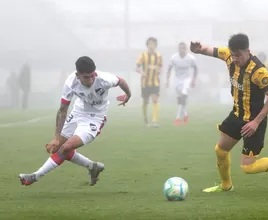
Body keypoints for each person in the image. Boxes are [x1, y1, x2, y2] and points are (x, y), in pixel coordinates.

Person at [190, 33, 268, 192]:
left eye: (238, 55)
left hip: (254, 121)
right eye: (233, 54)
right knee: (220, 150)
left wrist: (256, 122)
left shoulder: (258, 71)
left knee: (248, 168)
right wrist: (198, 50)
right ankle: (226, 186)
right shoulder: (229, 55)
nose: (235, 58)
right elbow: (209, 50)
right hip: (237, 115)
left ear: (248, 51)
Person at [19, 56, 131, 186]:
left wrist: (128, 95)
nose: (90, 80)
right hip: (78, 112)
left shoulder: (104, 79)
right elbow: (63, 110)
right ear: (78, 75)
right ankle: (92, 166)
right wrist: (56, 137)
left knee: (66, 147)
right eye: (86, 77)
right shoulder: (71, 83)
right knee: (57, 149)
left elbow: (121, 81)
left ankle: (35, 176)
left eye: (92, 76)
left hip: (95, 118)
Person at [166, 42, 197, 126]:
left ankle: (177, 118)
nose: (182, 50)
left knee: (183, 96)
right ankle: (186, 114)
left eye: (183, 48)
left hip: (187, 80)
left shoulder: (190, 58)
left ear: (186, 49)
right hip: (177, 80)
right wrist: (167, 80)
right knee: (180, 100)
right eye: (180, 48)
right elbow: (169, 69)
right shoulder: (174, 58)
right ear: (178, 49)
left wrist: (193, 80)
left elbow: (195, 68)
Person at [136, 37, 163, 127]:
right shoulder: (143, 55)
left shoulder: (158, 56)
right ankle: (145, 119)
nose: (151, 45)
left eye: (153, 44)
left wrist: (159, 70)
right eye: (150, 44)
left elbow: (161, 66)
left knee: (155, 100)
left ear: (155, 45)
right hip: (145, 82)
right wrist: (142, 72)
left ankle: (155, 121)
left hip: (155, 82)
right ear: (147, 45)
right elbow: (137, 67)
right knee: (145, 101)